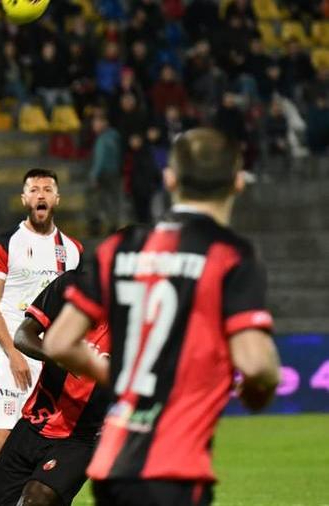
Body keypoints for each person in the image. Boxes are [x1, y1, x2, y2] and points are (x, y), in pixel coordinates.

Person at [42, 128, 281, 506]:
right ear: (238, 182)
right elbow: (256, 363)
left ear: (170, 179)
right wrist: (260, 389)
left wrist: (119, 376)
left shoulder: (122, 247)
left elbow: (58, 342)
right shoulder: (230, 254)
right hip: (176, 468)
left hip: (113, 463)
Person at [0, 169, 83, 506]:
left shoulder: (73, 250)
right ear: (24, 198)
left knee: (44, 444)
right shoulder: (4, 244)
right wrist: (13, 353)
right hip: (15, 354)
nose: (40, 194)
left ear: (56, 198)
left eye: (47, 189)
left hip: (53, 362)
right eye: (34, 189)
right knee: (0, 439)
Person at [0, 270, 111, 506]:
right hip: (32, 423)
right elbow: (23, 335)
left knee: (36, 499)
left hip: (82, 438)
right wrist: (60, 356)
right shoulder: (71, 286)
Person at [89, 114, 123, 234]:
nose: (94, 126)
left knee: (99, 201)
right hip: (115, 172)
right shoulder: (115, 136)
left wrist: (94, 175)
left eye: (96, 123)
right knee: (113, 200)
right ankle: (113, 225)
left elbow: (100, 159)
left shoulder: (103, 139)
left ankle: (99, 226)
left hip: (104, 175)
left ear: (104, 123)